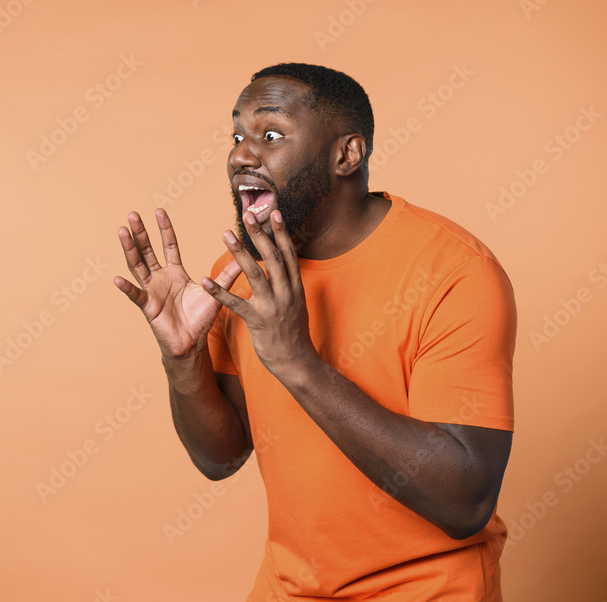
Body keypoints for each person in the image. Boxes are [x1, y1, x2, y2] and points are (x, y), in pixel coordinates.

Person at [113, 63, 516, 601]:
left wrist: (297, 362)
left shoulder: (454, 271)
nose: (240, 155)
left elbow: (465, 503)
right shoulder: (241, 274)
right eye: (237, 135)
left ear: (346, 155)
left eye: (270, 134)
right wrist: (183, 362)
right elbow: (220, 457)